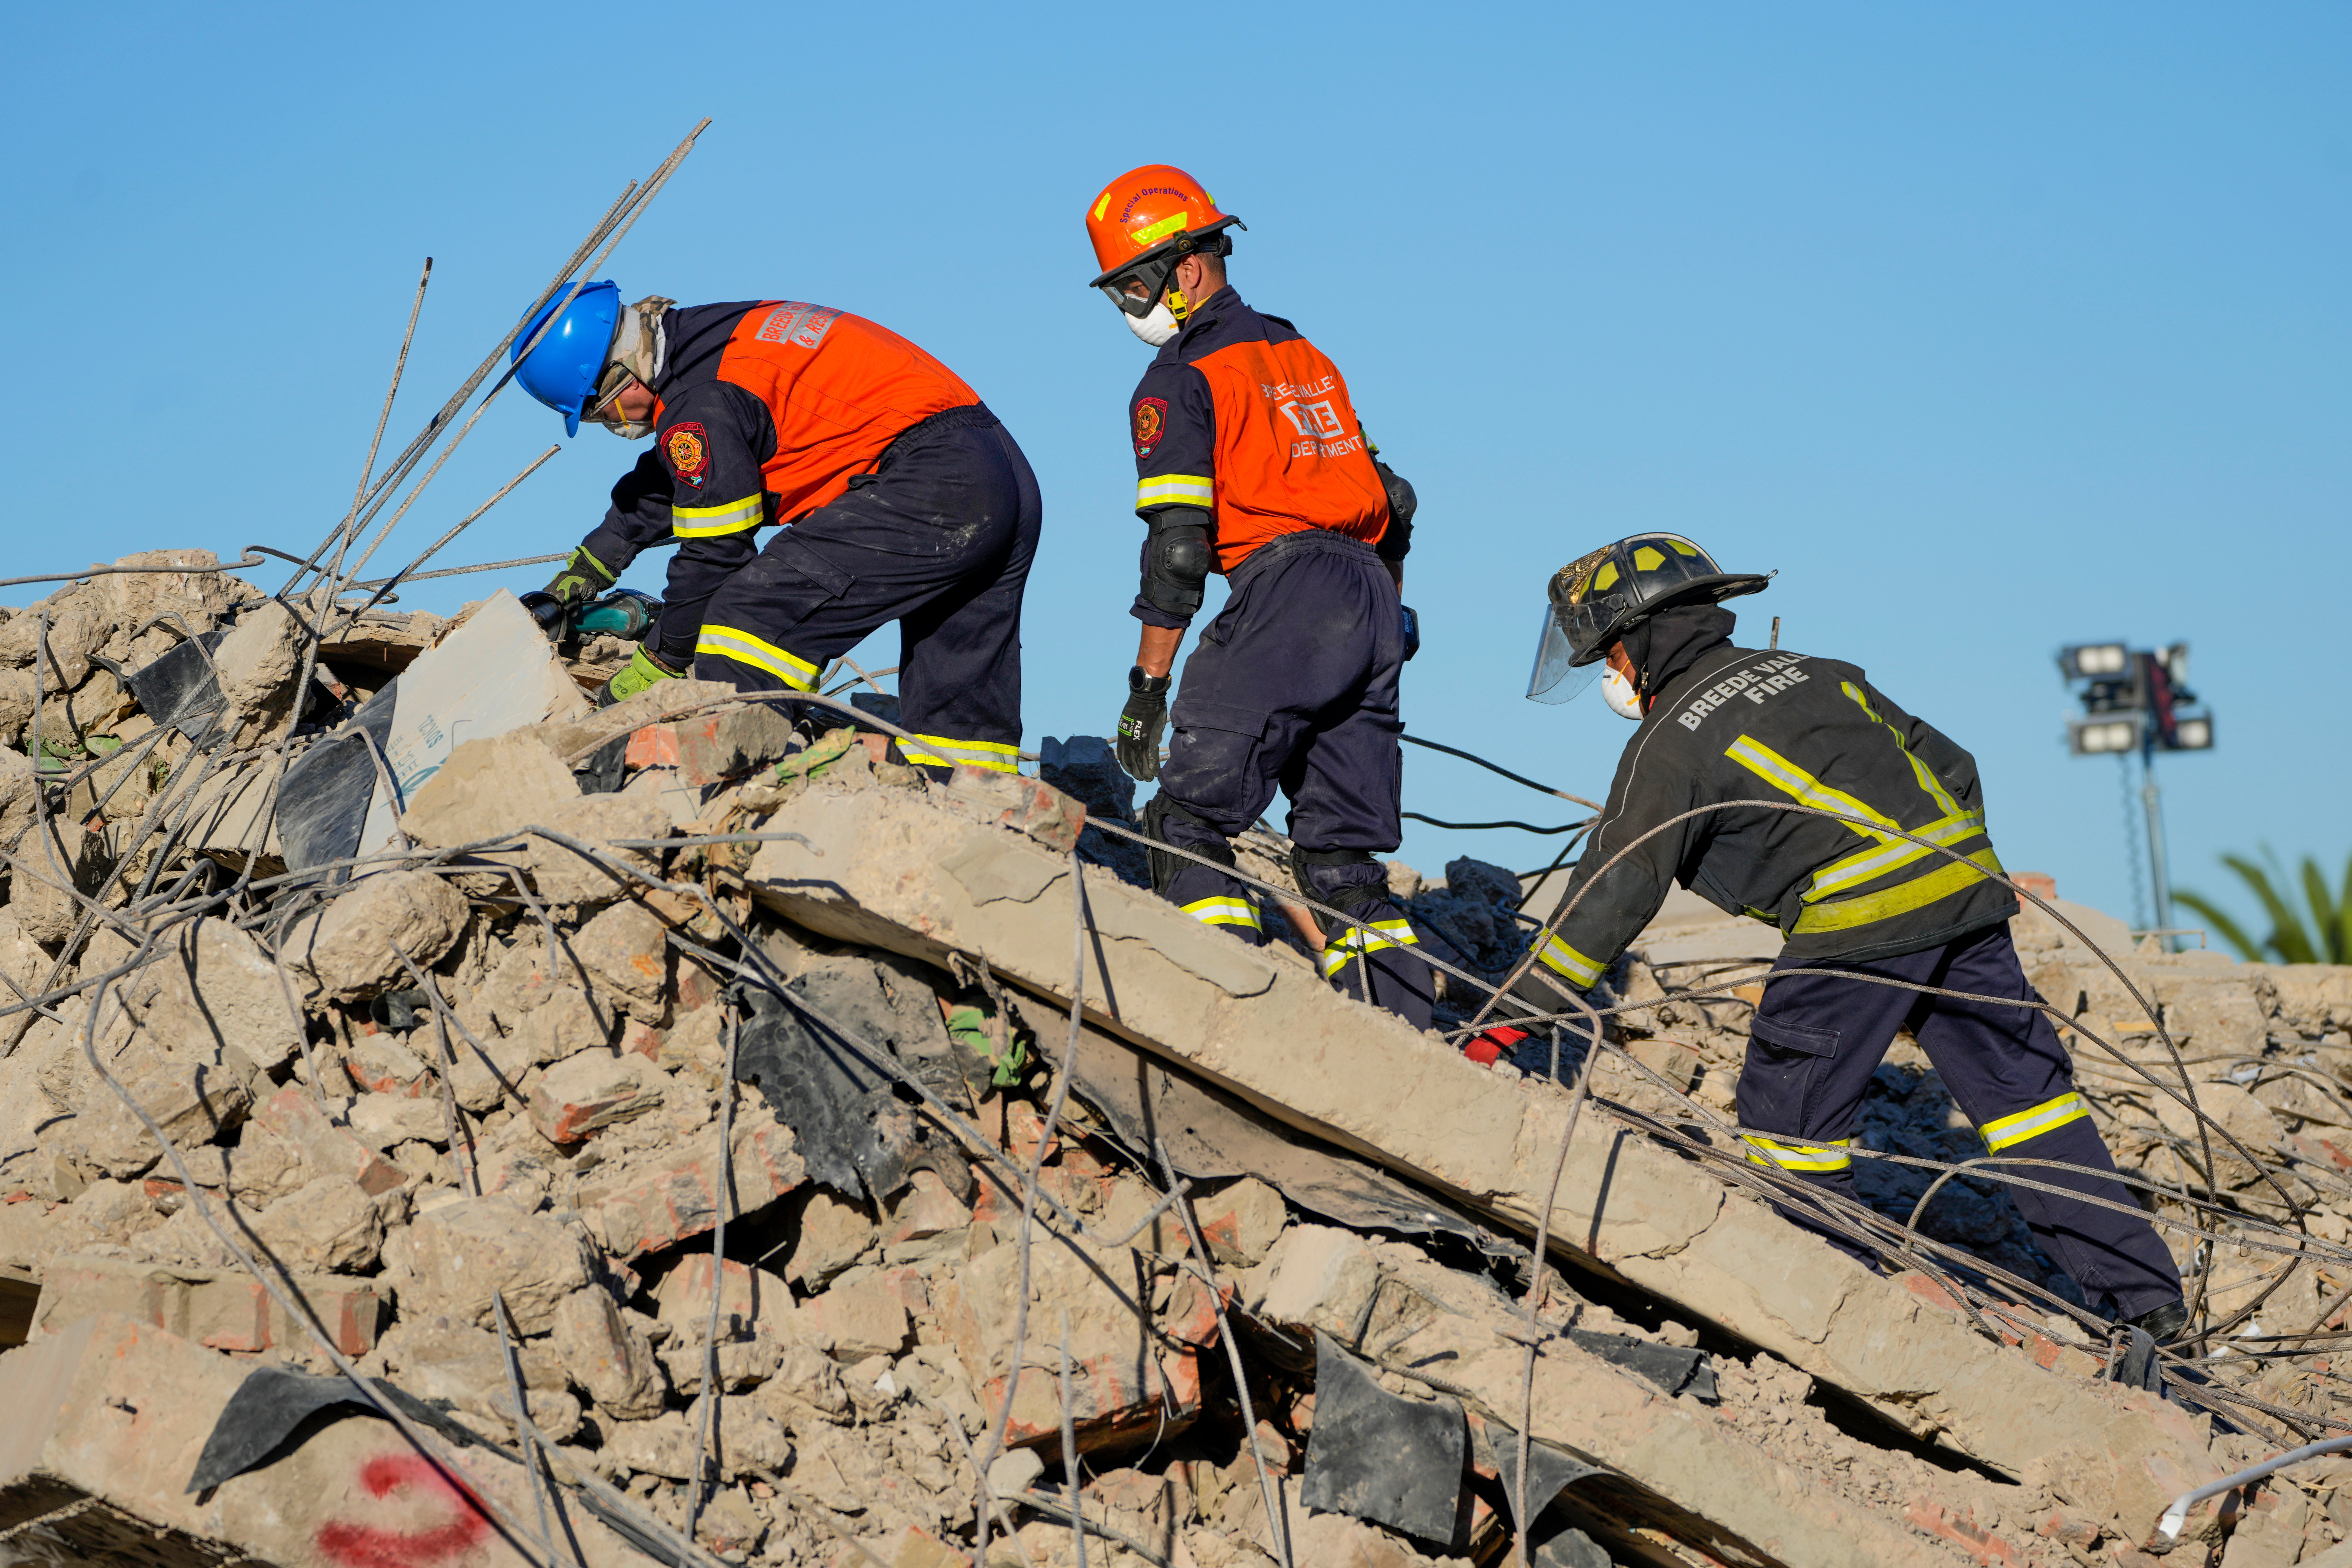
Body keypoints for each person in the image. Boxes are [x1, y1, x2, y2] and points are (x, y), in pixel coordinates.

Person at [1515, 532, 2186, 1339]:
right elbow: (1955, 764)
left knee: (1786, 1120)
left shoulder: (1670, 741)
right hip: (1966, 896)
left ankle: (1838, 1309)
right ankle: (2151, 1301)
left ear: (1642, 638)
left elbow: (1617, 885)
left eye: (1611, 658)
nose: (1614, 677)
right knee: (2028, 1106)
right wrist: (1937, 893)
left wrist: (1516, 1011)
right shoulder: (1819, 672)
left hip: (1854, 923)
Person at [1083, 165, 1449, 1028]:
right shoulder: (1302, 353)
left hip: (1286, 591)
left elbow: (1178, 551)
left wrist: (1148, 689)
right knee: (1342, 860)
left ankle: (1223, 1012)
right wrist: (1388, 612)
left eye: (1135, 283)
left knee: (1184, 816)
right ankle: (1406, 1043)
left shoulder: (1181, 377)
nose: (1130, 306)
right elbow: (1392, 497)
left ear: (1189, 267)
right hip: (1366, 595)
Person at [509, 282, 1039, 776]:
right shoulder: (711, 336)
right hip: (999, 473)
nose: (616, 425)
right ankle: (975, 817)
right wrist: (586, 570)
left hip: (928, 484)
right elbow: (667, 480)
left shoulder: (702, 404)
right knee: (958, 696)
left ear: (622, 369)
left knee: (746, 618)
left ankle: (728, 790)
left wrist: (662, 660)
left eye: (602, 411)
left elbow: (715, 552)